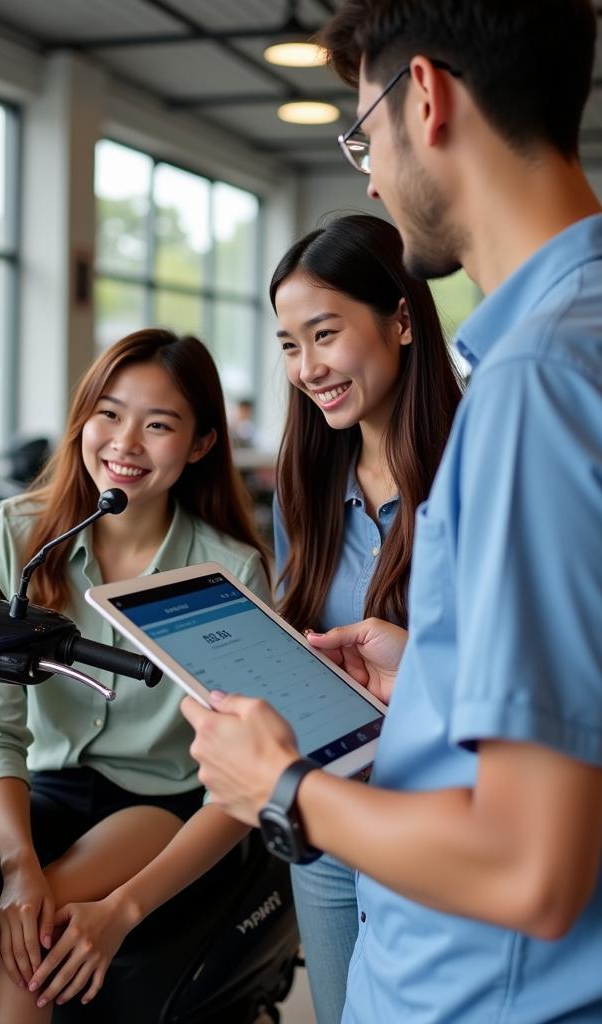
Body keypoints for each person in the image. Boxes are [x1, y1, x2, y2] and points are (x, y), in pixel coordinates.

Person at [182, 1, 602, 1022]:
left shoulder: (544, 383)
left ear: (425, 97)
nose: (368, 173)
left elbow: (529, 868)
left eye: (363, 135)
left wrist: (280, 783)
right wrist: (434, 672)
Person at [0, 329, 269, 1024]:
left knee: (34, 926)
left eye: (159, 424)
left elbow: (239, 784)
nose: (125, 442)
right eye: (108, 413)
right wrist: (16, 861)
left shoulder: (229, 571)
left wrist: (102, 905)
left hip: (160, 802)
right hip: (49, 787)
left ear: (200, 444)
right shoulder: (21, 533)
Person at [270, 213, 459, 1023]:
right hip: (329, 815)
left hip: (439, 825)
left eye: (324, 333)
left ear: (403, 319)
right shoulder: (307, 487)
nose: (307, 368)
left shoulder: (474, 472)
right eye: (288, 344)